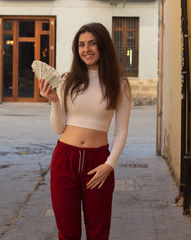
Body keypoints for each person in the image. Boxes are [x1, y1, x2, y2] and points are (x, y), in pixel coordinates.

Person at [38, 22, 131, 240]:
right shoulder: (66, 80)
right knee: (67, 232)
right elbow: (59, 128)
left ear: (103, 46)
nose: (86, 49)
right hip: (64, 160)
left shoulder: (119, 84)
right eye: (81, 44)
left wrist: (110, 164)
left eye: (92, 43)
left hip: (98, 162)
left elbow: (121, 129)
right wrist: (53, 101)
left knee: (98, 232)